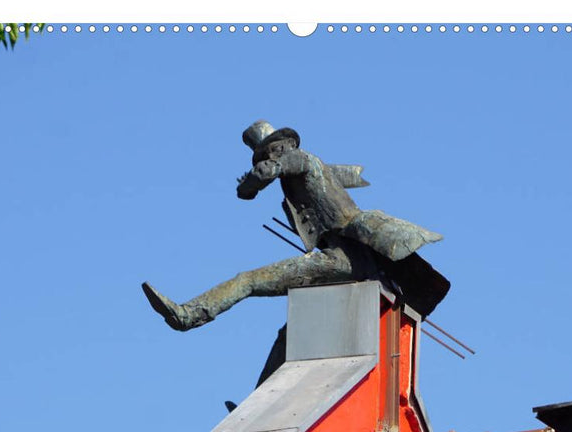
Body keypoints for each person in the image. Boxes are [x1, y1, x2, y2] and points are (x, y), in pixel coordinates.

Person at [142, 120, 449, 331]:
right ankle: (264, 393)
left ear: (287, 145)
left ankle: (188, 315)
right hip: (352, 258)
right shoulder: (309, 172)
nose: (273, 155)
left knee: (248, 280)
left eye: (275, 149)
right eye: (267, 152)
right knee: (293, 330)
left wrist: (250, 182)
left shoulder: (299, 159)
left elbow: (267, 173)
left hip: (343, 258)